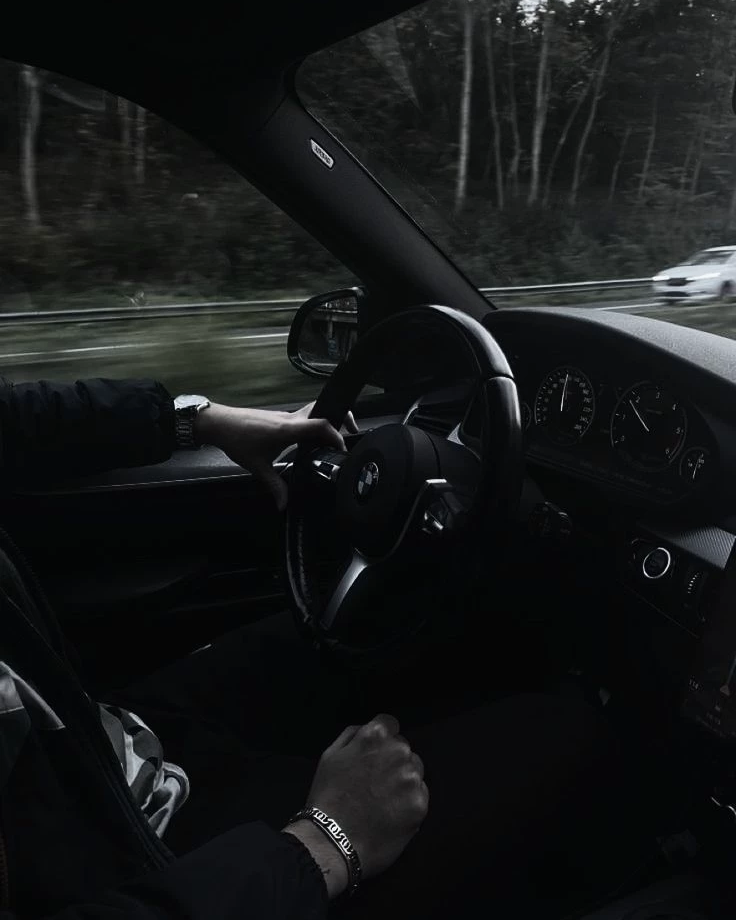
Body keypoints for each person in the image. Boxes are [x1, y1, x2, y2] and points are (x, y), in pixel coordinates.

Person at [0, 375, 657, 919]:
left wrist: (200, 421)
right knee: (566, 731)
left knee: (347, 640)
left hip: (95, 746)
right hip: (137, 863)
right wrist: (323, 842)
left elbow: (16, 417)